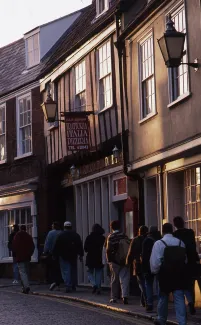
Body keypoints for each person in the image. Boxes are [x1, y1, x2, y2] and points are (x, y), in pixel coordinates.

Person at [150, 223, 187, 325]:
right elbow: (185, 260)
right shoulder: (180, 242)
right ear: (172, 230)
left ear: (163, 231)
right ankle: (182, 322)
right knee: (179, 298)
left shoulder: (159, 243)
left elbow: (155, 262)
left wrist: (155, 272)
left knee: (163, 298)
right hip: (179, 274)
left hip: (165, 274)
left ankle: (161, 319)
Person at [173, 216, 199, 315]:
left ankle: (190, 303)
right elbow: (193, 246)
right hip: (193, 261)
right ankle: (191, 303)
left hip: (181, 263)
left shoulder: (175, 235)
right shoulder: (190, 232)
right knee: (191, 283)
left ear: (175, 225)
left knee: (185, 285)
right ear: (183, 223)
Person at [53, 221, 84, 293]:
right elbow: (79, 245)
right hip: (73, 255)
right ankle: (73, 285)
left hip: (63, 256)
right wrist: (81, 255)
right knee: (73, 270)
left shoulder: (60, 235)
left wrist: (55, 255)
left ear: (64, 227)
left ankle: (68, 285)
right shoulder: (76, 235)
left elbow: (56, 246)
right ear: (71, 227)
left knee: (66, 271)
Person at [106, 220, 130, 304]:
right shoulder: (124, 236)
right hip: (124, 260)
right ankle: (125, 296)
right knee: (125, 278)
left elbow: (108, 250)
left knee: (114, 279)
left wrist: (109, 261)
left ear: (111, 227)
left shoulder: (111, 236)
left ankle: (114, 297)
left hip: (115, 261)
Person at [127, 225, 148, 308]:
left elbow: (130, 252)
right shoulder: (149, 239)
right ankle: (143, 301)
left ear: (139, 232)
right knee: (145, 283)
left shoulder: (135, 240)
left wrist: (128, 262)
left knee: (142, 283)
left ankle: (146, 300)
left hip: (138, 264)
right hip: (148, 264)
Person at [141, 226, 161, 312]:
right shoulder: (160, 240)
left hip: (149, 265)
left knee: (148, 284)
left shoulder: (146, 241)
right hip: (159, 265)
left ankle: (149, 304)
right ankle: (160, 303)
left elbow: (144, 256)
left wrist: (144, 268)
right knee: (159, 285)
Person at [12, 225, 35, 294]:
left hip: (20, 257)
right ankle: (24, 288)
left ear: (20, 229)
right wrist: (30, 254)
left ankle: (26, 286)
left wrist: (15, 255)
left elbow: (14, 246)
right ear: (26, 229)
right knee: (26, 272)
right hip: (27, 257)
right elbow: (32, 247)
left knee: (22, 272)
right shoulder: (29, 236)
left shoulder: (17, 235)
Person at [84, 224, 105, 294]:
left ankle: (94, 284)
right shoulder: (102, 238)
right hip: (99, 257)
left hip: (91, 257)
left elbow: (85, 249)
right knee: (98, 273)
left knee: (89, 272)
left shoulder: (89, 237)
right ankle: (98, 287)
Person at [43, 221, 62, 291]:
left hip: (52, 253)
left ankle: (55, 282)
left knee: (53, 269)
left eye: (52, 226)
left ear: (54, 226)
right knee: (60, 269)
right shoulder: (61, 233)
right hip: (61, 254)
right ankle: (59, 283)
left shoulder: (51, 233)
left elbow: (47, 243)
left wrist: (45, 251)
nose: (51, 227)